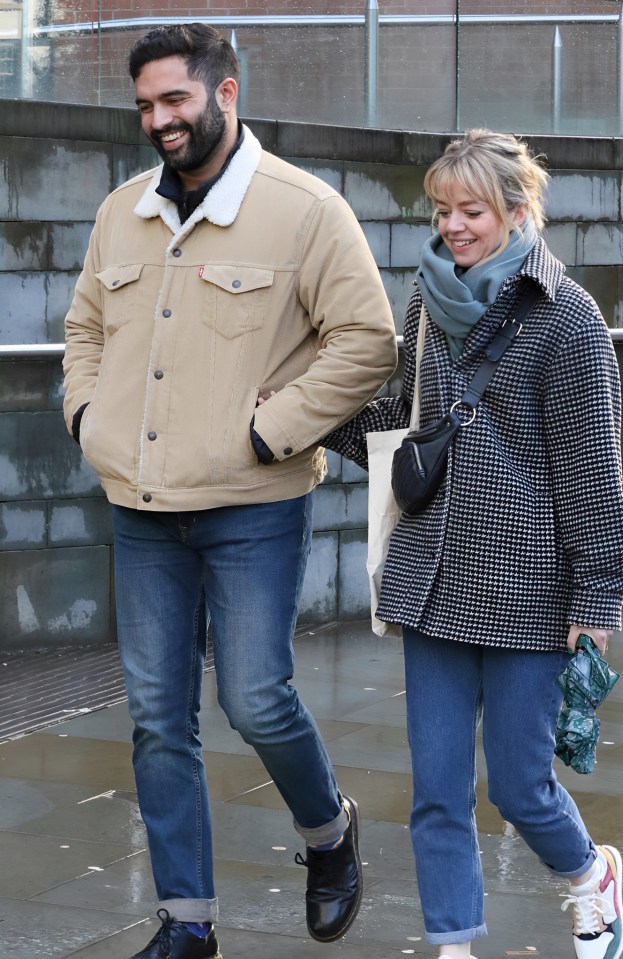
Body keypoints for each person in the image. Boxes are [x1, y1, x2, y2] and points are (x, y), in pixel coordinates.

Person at [62, 23, 397, 959]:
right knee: (156, 719)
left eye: (173, 100)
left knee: (254, 698)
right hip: (139, 508)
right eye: (144, 105)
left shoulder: (305, 210)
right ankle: (187, 920)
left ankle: (328, 831)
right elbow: (84, 328)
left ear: (225, 93)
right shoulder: (119, 211)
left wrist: (270, 429)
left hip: (253, 507)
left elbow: (366, 342)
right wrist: (88, 417)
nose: (157, 120)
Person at [326, 130, 623, 959]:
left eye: (471, 210)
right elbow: (407, 435)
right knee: (435, 792)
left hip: (531, 590)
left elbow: (590, 474)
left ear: (516, 210)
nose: (452, 226)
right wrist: (313, 402)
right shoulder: (428, 300)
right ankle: (453, 944)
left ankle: (587, 879)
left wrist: (595, 599)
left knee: (521, 786)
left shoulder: (567, 318)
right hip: (432, 578)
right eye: (441, 209)